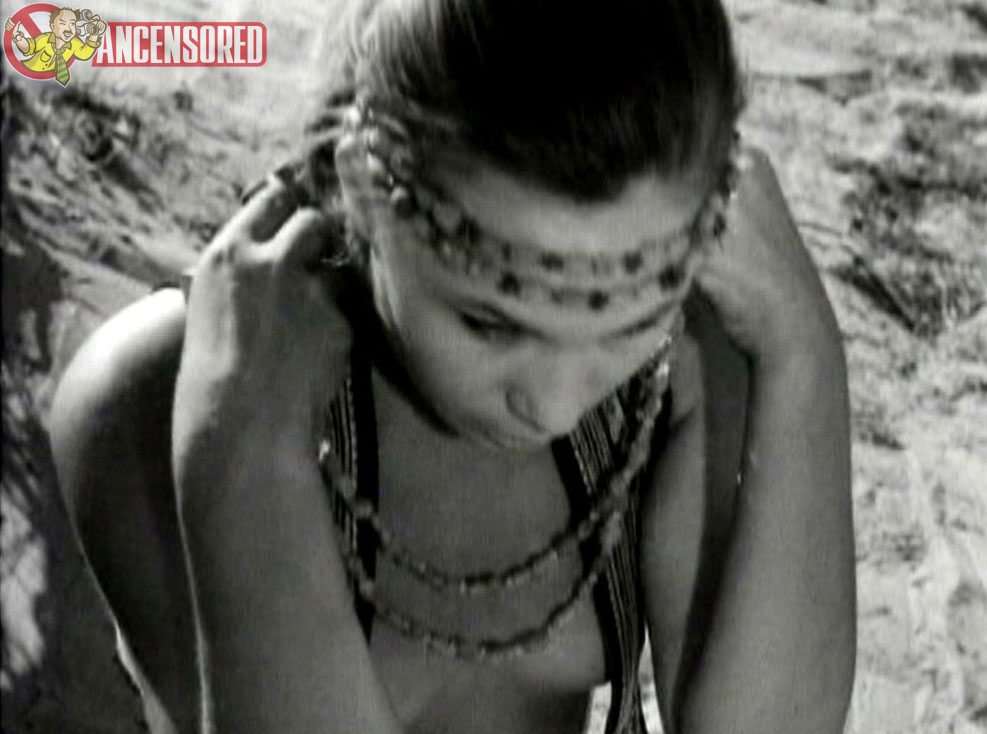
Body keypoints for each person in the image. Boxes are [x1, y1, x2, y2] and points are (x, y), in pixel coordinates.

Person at [48, 1, 856, 732]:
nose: (553, 406)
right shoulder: (150, 399)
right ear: (361, 186)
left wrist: (805, 357)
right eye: (487, 322)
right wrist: (244, 455)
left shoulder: (673, 368)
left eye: (628, 323)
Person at [5, 7, 106, 86]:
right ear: (53, 27)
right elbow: (27, 48)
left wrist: (95, 33)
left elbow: (85, 53)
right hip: (26, 78)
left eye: (72, 24)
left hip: (52, 88)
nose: (68, 29)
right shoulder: (44, 39)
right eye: (62, 23)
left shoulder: (74, 43)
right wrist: (17, 36)